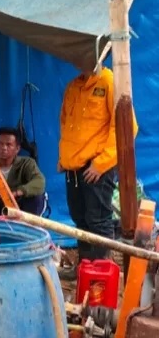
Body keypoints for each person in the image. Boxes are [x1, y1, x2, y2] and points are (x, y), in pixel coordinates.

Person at [58, 61, 137, 261]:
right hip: (73, 167)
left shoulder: (110, 81)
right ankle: (85, 267)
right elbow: (66, 123)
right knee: (80, 220)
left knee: (98, 221)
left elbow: (126, 127)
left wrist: (101, 164)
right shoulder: (73, 86)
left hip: (95, 166)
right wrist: (64, 157)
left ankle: (100, 274)